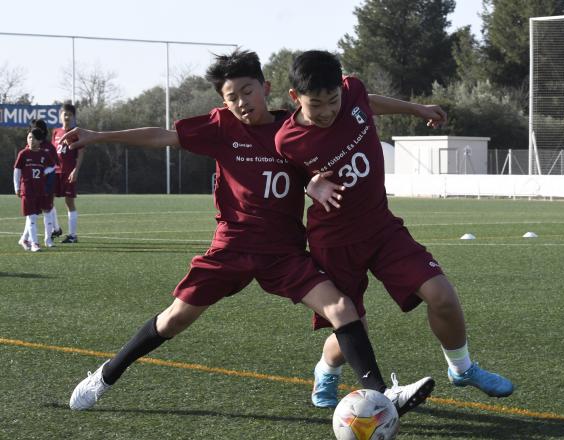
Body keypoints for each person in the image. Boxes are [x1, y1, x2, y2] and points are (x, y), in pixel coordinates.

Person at [61, 49, 433, 415]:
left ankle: (383, 394)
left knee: (341, 307)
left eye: (247, 91)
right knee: (174, 318)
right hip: (232, 248)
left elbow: (318, 167)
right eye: (231, 96)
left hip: (284, 254)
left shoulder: (293, 129)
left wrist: (314, 186)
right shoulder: (220, 127)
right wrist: (97, 136)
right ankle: (106, 376)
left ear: (266, 87)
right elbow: (163, 136)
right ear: (223, 101)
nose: (241, 102)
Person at [274, 50, 515, 408]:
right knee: (353, 330)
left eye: (333, 100)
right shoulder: (287, 140)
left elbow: (367, 101)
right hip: (335, 241)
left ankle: (462, 369)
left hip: (382, 227)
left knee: (443, 297)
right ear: (296, 97)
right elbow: (289, 184)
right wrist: (311, 185)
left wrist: (416, 109)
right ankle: (326, 369)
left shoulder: (353, 91)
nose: (326, 111)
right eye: (316, 104)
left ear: (342, 88)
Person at [14, 127, 56, 252]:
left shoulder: (44, 154)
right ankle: (34, 244)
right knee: (31, 216)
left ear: (40, 141)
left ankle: (25, 239)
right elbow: (17, 171)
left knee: (35, 215)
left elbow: (52, 166)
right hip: (27, 189)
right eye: (29, 137)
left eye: (34, 138)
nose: (31, 140)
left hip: (40, 189)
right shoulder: (23, 154)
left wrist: (45, 172)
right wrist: (17, 187)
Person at [51, 102, 84, 243]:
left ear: (73, 117)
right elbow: (52, 152)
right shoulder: (55, 132)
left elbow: (81, 153)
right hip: (54, 172)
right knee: (48, 201)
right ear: (60, 115)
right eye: (65, 114)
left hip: (68, 172)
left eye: (70, 114)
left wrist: (76, 170)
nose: (67, 116)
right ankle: (56, 228)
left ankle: (72, 235)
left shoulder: (76, 133)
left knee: (69, 202)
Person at [26, 119, 60, 248]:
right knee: (32, 213)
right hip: (31, 186)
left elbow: (54, 165)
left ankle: (48, 239)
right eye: (32, 131)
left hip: (46, 185)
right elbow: (20, 168)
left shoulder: (49, 147)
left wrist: (45, 176)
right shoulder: (27, 148)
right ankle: (28, 239)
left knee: (48, 210)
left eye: (36, 130)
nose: (33, 135)